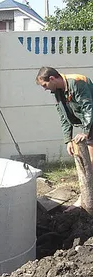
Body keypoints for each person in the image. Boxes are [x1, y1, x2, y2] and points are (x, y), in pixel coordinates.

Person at [36, 66, 93, 211]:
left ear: (52, 79)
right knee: (87, 164)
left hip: (90, 123)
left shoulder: (78, 82)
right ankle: (86, 197)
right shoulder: (58, 92)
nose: (44, 89)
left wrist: (85, 132)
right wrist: (68, 140)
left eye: (44, 85)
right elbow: (64, 116)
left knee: (90, 164)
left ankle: (85, 199)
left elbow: (88, 107)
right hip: (90, 124)